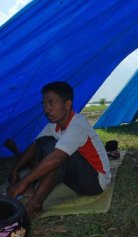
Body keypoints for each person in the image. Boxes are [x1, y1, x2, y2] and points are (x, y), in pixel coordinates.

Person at [7, 81, 111, 219]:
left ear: (67, 105)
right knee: (42, 143)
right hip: (76, 179)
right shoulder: (53, 125)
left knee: (59, 157)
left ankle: (35, 205)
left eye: (51, 103)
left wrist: (23, 182)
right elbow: (34, 147)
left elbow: (56, 159)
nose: (46, 109)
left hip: (95, 182)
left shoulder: (78, 125)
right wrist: (16, 169)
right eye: (44, 104)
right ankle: (32, 188)